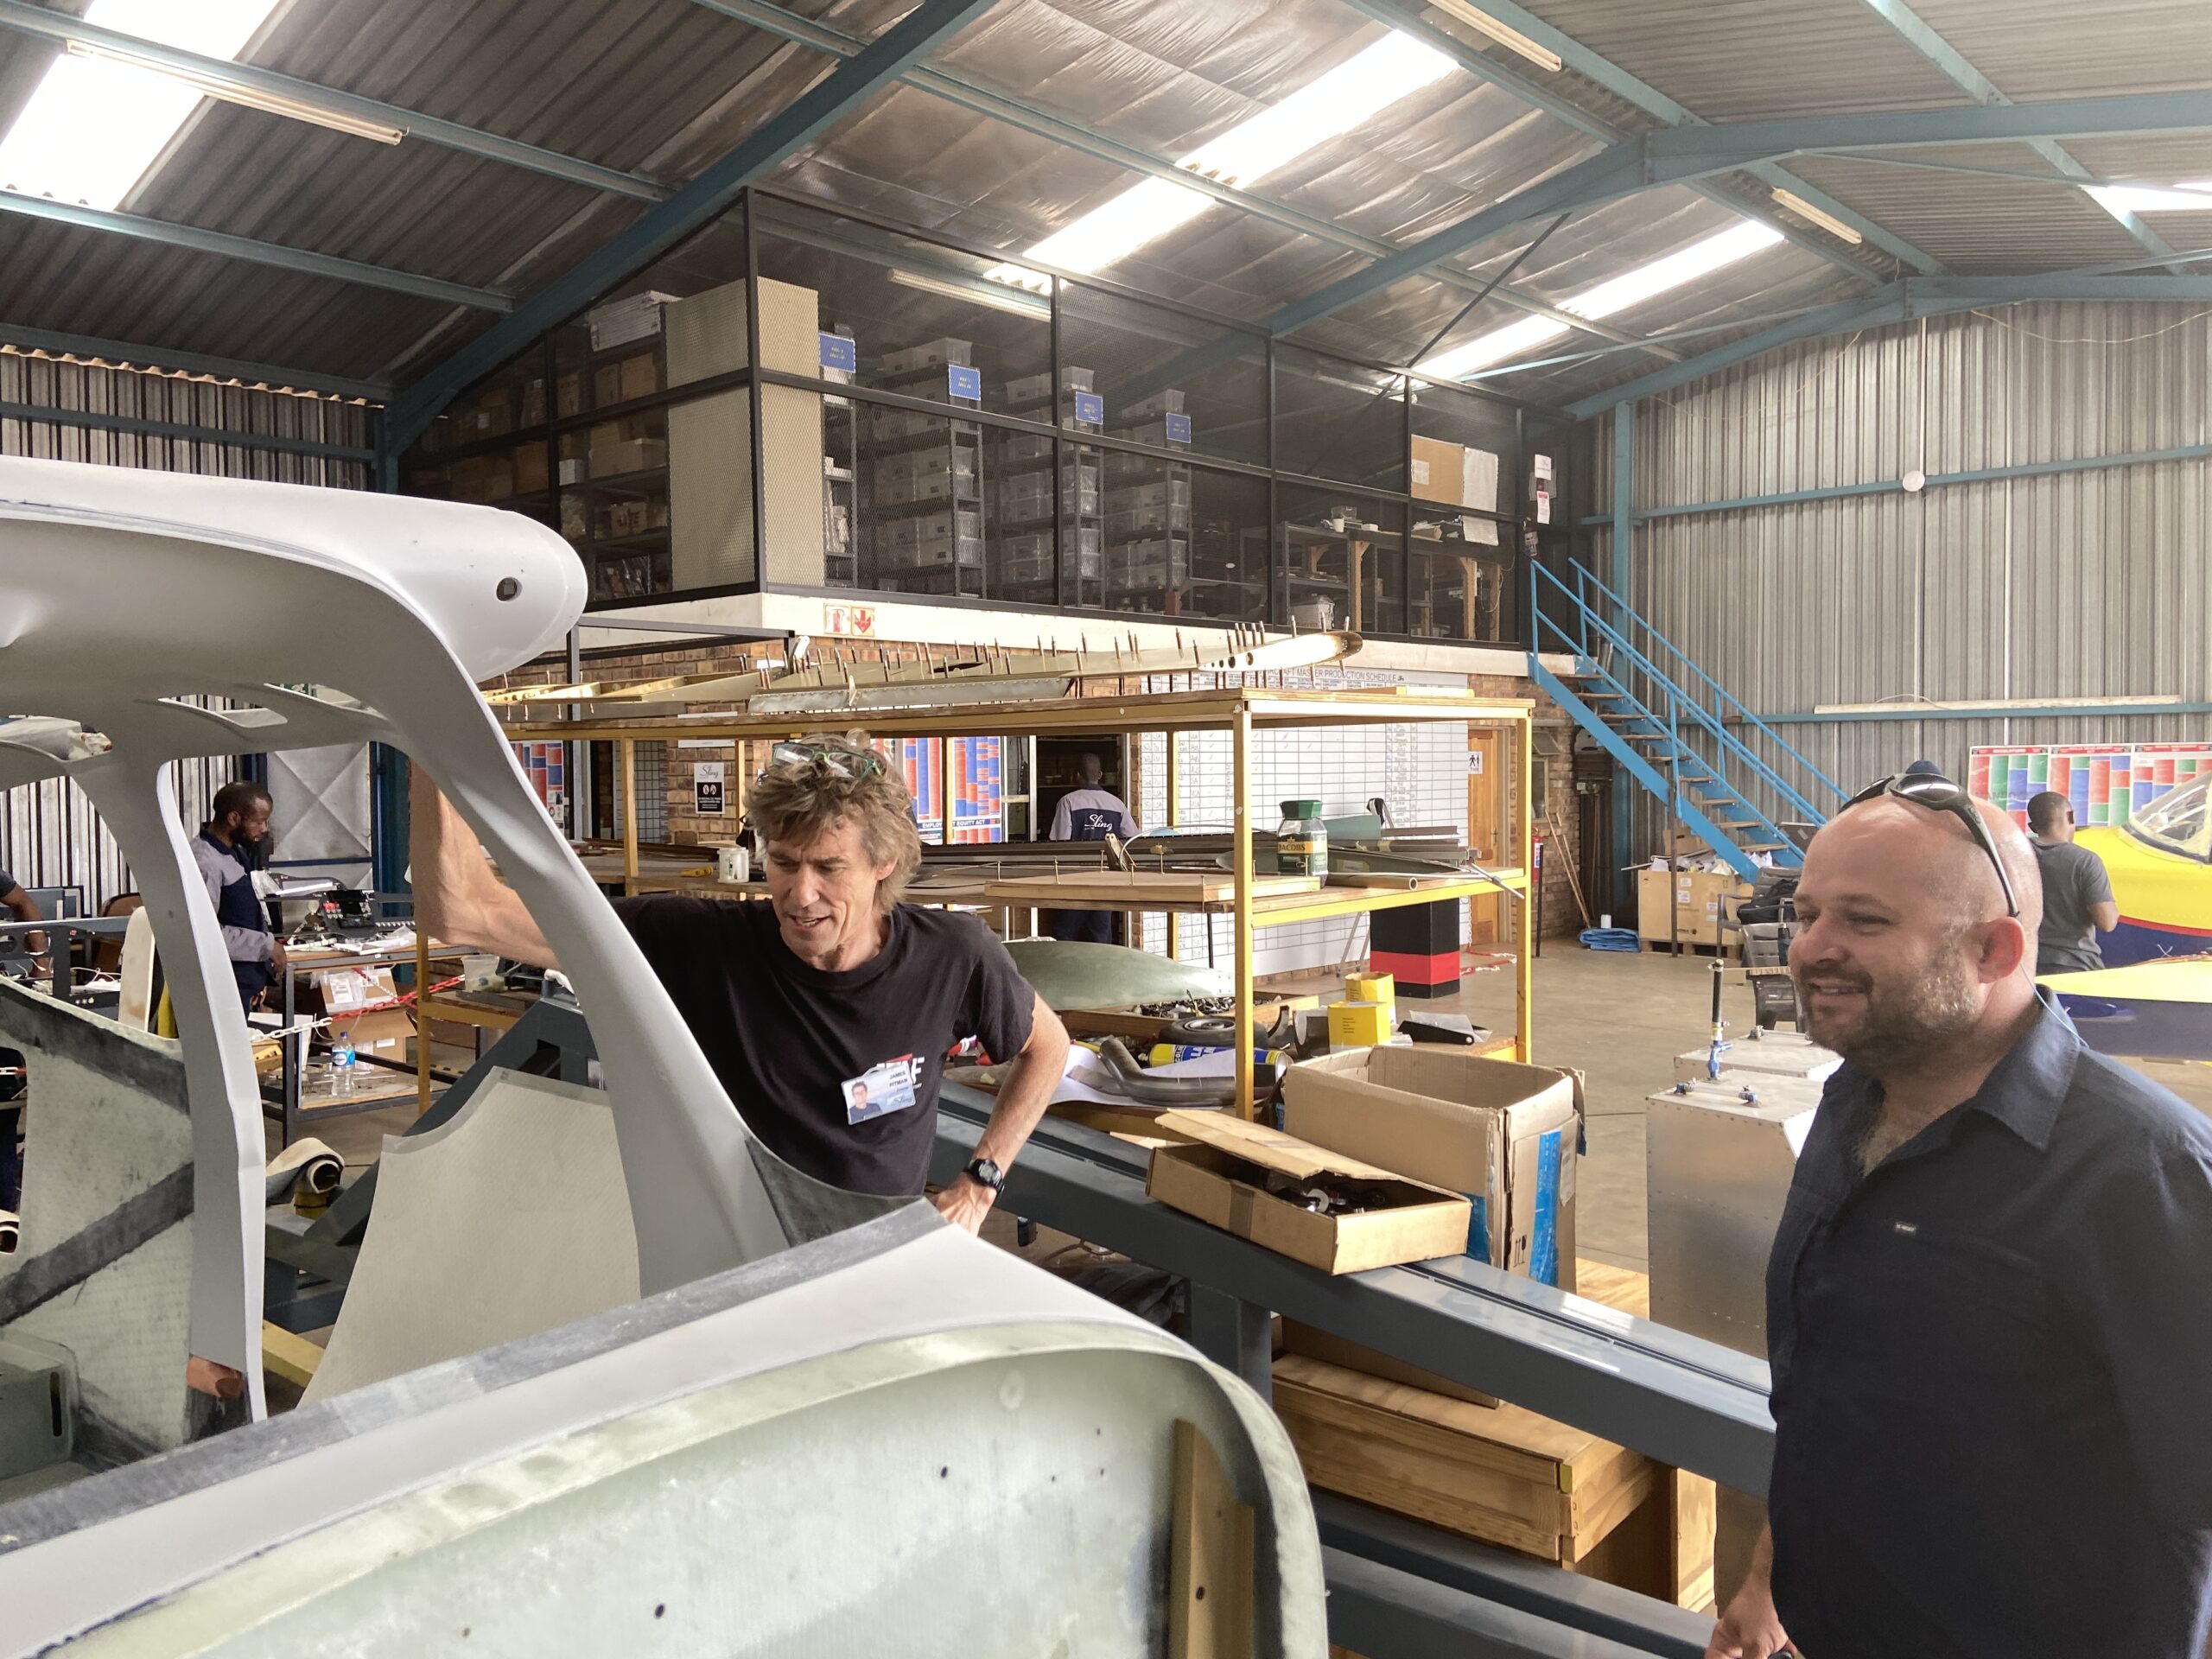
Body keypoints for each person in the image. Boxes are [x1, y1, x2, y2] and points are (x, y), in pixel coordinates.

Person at [1707, 771, 2212, 1659]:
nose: (1810, 947)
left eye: (1863, 921)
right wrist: (1766, 1581)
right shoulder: (1851, 1103)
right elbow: (1833, 1387)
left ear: (1994, 950)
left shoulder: (2142, 1173)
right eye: (1809, 910)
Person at [411, 735, 1070, 1233]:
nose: (800, 894)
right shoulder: (696, 942)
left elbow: (1049, 1047)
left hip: (875, 1261)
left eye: (828, 867)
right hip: (733, 1255)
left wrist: (981, 1181)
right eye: (783, 863)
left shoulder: (954, 957)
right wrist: (431, 737)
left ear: (884, 863)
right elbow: (463, 910)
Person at [194, 782, 285, 1016]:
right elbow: (204, 933)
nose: (264, 828)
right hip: (220, 985)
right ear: (234, 818)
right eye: (258, 821)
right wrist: (265, 946)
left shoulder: (234, 851)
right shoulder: (206, 863)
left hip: (242, 982)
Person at [1046, 752, 1138, 945]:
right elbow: (1131, 842)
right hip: (1106, 882)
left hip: (1074, 881)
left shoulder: (1068, 802)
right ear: (1101, 775)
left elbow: (1059, 842)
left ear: (1077, 775)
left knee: (1065, 935)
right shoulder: (1117, 804)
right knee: (1100, 936)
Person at [2026, 788, 2120, 975]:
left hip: (2027, 965)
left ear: (2033, 826)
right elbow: (2107, 922)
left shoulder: (2014, 855)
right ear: (2070, 816)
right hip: (2075, 965)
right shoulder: (2085, 861)